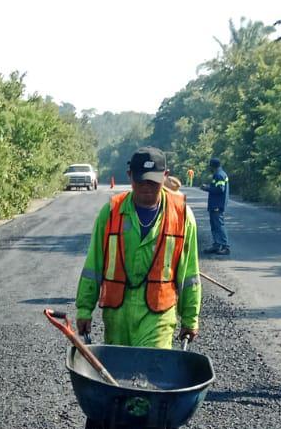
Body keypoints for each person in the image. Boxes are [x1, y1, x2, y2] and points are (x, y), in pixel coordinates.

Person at [76, 147, 200, 347]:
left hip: (158, 316)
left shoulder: (182, 217)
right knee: (118, 374)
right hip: (117, 317)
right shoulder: (111, 213)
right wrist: (84, 309)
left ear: (165, 176)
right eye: (140, 179)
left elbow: (189, 274)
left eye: (153, 180)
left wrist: (190, 318)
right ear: (129, 175)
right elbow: (94, 266)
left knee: (152, 372)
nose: (146, 186)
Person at [201, 157, 231, 255]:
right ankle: (217, 244)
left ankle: (225, 246)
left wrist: (207, 188)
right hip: (215, 204)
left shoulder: (219, 175)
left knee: (219, 225)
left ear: (212, 166)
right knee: (214, 225)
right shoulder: (219, 174)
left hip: (217, 204)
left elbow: (220, 189)